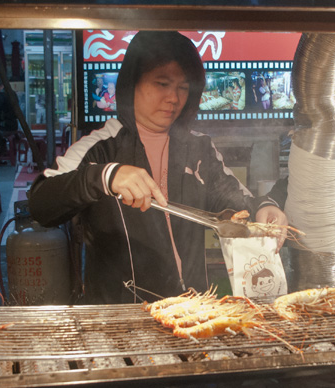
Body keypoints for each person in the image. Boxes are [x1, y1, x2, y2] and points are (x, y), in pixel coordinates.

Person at [28, 31, 287, 305]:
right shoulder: (99, 148)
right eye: (162, 83)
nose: (173, 98)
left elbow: (237, 202)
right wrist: (104, 176)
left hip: (193, 308)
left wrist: (264, 207)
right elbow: (41, 205)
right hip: (124, 315)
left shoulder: (199, 148)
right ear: (132, 84)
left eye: (183, 87)